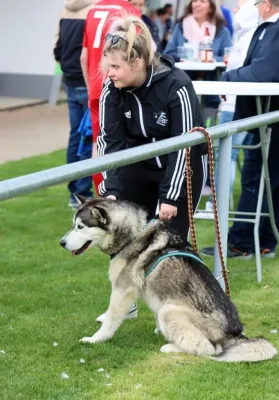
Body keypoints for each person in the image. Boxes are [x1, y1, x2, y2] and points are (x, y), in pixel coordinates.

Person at [96, 14, 208, 321]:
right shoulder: (112, 89)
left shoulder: (178, 86)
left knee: (169, 246)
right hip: (137, 168)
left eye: (116, 67)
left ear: (139, 62)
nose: (111, 73)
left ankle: (177, 314)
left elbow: (183, 146)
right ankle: (123, 306)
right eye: (109, 66)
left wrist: (170, 197)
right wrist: (112, 191)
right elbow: (111, 143)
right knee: (121, 240)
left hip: (180, 171)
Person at [201, 0, 279, 258]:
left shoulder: (273, 28)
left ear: (267, 5)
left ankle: (244, 242)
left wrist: (228, 78)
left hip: (269, 114)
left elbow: (263, 72)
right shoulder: (267, 28)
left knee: (257, 178)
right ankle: (260, 240)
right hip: (264, 112)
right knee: (261, 177)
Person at [196, 0, 259, 218]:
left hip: (233, 104)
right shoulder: (255, 36)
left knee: (226, 157)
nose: (234, 10)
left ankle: (217, 205)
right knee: (237, 159)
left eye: (239, 7)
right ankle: (221, 205)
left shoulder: (247, 39)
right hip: (242, 104)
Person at [80, 0, 140, 194]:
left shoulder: (92, 10)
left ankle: (102, 194)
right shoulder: (128, 11)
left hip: (97, 86)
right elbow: (138, 53)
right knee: (124, 143)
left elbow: (83, 56)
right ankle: (117, 196)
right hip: (120, 86)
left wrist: (92, 87)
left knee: (99, 144)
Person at [54, 0, 94, 209]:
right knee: (87, 136)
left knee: (75, 135)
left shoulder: (65, 10)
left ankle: (75, 191)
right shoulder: (95, 10)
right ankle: (82, 191)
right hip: (86, 79)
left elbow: (57, 47)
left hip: (70, 78)